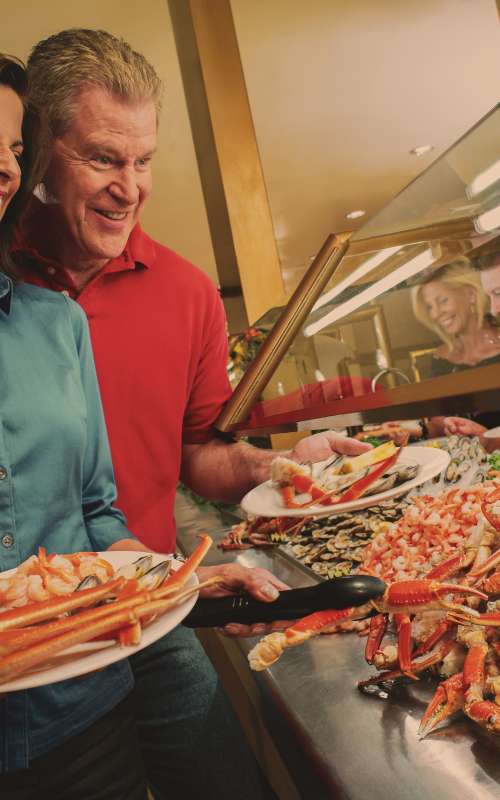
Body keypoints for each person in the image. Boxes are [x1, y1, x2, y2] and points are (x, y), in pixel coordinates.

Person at [13, 28, 370, 800]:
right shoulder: (11, 284)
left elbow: (198, 451)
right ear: (37, 150)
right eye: (103, 158)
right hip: (37, 633)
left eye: (144, 162)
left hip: (152, 596)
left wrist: (275, 467)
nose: (130, 187)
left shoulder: (186, 292)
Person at [0, 53, 154, 798]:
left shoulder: (54, 320)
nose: (4, 170)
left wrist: (167, 583)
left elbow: (97, 512)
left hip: (84, 711)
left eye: (13, 151)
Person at [412, 260, 500, 439]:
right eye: (430, 307)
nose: (436, 314)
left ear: (470, 295)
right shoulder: (440, 358)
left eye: (442, 301)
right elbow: (439, 422)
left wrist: (487, 438)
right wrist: (413, 430)